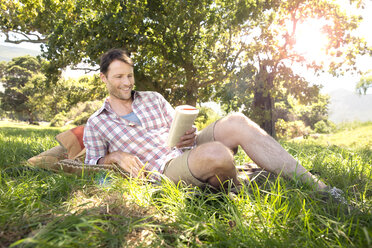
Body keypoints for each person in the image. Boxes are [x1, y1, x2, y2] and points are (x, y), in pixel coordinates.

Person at [83, 48, 334, 194]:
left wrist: (189, 133)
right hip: (164, 168)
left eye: (129, 75)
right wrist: (113, 156)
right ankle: (239, 183)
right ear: (104, 79)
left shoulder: (154, 98)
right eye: (118, 77)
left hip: (185, 149)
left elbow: (181, 129)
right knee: (216, 154)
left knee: (235, 121)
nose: (127, 83)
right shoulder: (97, 123)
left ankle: (320, 188)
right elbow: (90, 168)